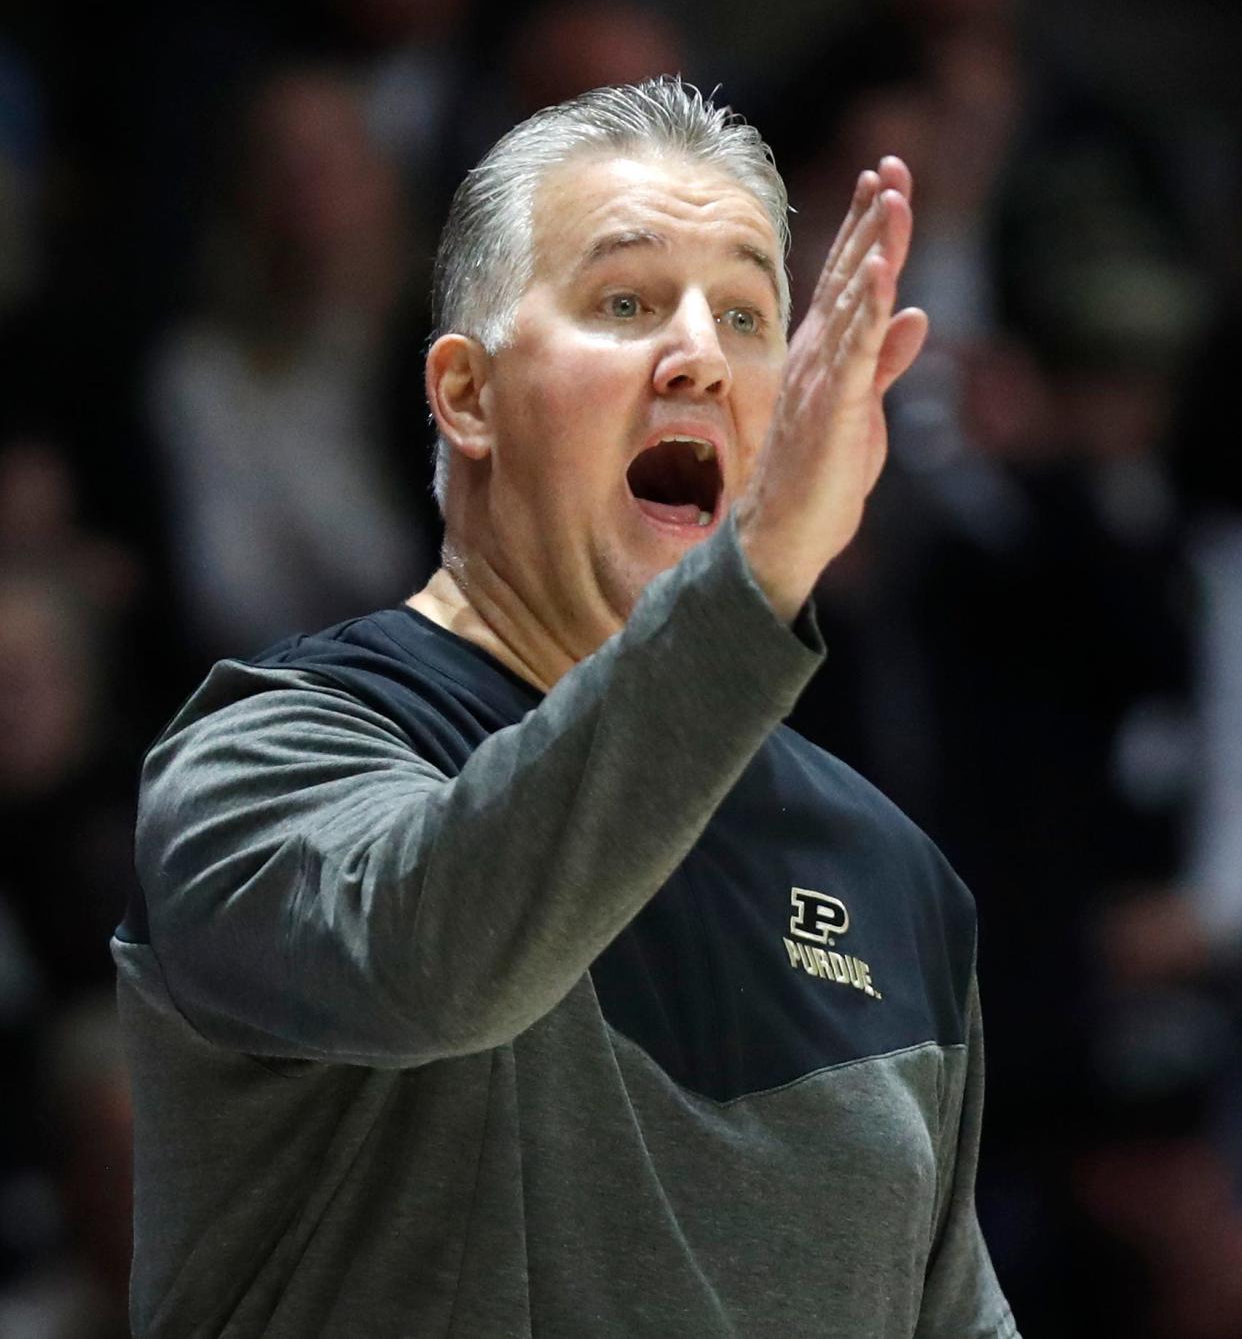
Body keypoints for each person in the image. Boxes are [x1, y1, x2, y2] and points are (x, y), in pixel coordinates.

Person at [113, 77, 1018, 1338]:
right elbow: (436, 961)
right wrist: (754, 578)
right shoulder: (270, 752)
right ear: (466, 395)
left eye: (753, 315)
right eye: (627, 300)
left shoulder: (895, 877)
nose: (699, 353)